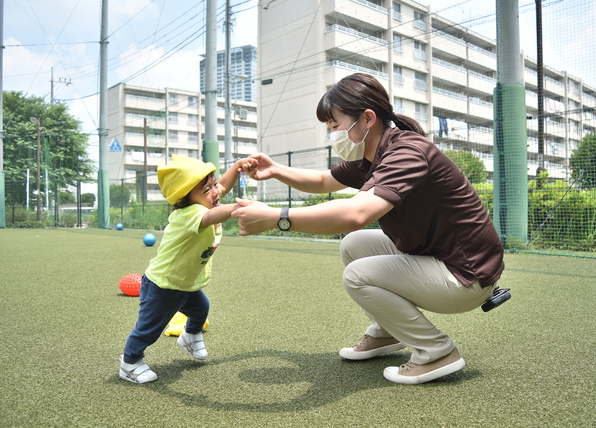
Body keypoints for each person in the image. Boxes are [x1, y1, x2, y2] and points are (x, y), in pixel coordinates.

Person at [232, 73, 505, 385]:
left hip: (466, 276)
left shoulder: (406, 152)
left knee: (357, 275)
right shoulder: (371, 156)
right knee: (354, 245)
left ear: (367, 119)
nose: (331, 134)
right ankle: (388, 331)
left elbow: (357, 212)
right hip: (439, 258)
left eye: (334, 126)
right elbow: (323, 181)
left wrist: (277, 217)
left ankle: (437, 351)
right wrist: (277, 170)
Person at [119, 154, 256, 384]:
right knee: (148, 330)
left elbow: (222, 186)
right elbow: (212, 215)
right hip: (164, 285)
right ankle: (129, 363)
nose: (215, 192)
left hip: (186, 284)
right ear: (185, 198)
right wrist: (241, 207)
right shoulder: (189, 214)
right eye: (207, 190)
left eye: (213, 186)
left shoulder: (204, 201)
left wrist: (236, 167)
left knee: (202, 309)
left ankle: (190, 337)